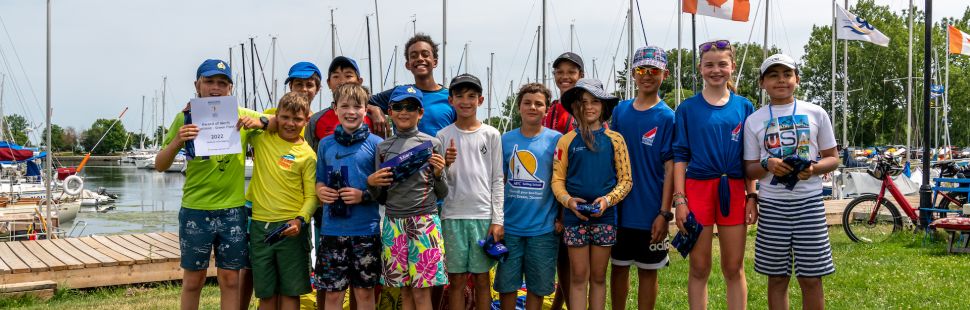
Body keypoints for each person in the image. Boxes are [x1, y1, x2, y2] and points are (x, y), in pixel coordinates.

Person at [156, 59, 269, 310]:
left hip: (233, 210)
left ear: (230, 88)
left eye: (222, 83)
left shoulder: (244, 116)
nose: (215, 88)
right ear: (197, 85)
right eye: (209, 82)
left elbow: (287, 122)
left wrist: (262, 123)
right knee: (193, 280)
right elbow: (160, 164)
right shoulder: (184, 117)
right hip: (195, 209)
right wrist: (177, 141)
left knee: (230, 279)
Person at [743, 54, 838, 310]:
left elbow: (833, 158)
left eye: (787, 74)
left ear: (796, 78)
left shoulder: (816, 113)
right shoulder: (754, 120)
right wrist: (767, 164)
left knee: (811, 277)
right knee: (776, 277)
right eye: (773, 75)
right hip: (773, 207)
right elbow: (749, 169)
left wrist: (814, 169)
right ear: (762, 82)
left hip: (809, 205)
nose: (781, 80)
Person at [672, 40, 756, 310]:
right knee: (699, 267)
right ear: (700, 68)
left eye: (722, 64)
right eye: (709, 65)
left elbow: (749, 157)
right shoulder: (687, 109)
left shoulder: (744, 107)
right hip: (697, 191)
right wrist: (680, 200)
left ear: (732, 66)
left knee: (734, 267)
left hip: (732, 190)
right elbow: (680, 156)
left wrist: (752, 194)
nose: (716, 70)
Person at [551, 78, 632, 310]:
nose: (589, 107)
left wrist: (607, 200)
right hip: (574, 218)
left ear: (603, 106)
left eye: (594, 101)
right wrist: (568, 201)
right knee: (578, 276)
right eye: (583, 102)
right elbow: (557, 181)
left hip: (605, 217)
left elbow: (626, 180)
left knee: (598, 277)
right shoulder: (565, 141)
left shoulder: (615, 140)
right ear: (575, 107)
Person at [367, 85, 449, 310]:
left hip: (425, 222)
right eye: (398, 107)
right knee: (404, 291)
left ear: (420, 113)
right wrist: (370, 184)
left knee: (422, 293)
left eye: (411, 107)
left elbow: (442, 192)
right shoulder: (382, 147)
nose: (404, 112)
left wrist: (440, 174)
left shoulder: (433, 144)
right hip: (394, 223)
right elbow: (380, 196)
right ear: (389, 112)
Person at [608, 46, 675, 310]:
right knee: (618, 268)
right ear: (633, 74)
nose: (647, 75)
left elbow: (671, 168)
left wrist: (664, 213)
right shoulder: (620, 112)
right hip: (618, 210)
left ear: (665, 74)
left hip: (651, 212)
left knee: (649, 271)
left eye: (654, 70)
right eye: (641, 69)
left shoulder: (668, 117)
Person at [238, 91, 317, 310]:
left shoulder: (308, 155)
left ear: (306, 120)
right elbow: (240, 116)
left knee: (290, 294)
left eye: (297, 119)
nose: (290, 124)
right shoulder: (261, 138)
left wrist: (301, 220)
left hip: (291, 228)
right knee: (266, 295)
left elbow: (311, 196)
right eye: (285, 117)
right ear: (277, 116)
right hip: (260, 228)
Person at [434, 74, 505, 310]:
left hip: (483, 216)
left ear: (481, 100)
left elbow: (497, 180)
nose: (466, 101)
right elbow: (438, 183)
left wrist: (497, 220)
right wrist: (445, 164)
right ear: (451, 100)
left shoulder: (492, 134)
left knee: (483, 279)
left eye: (472, 96)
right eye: (460, 96)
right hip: (452, 215)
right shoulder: (442, 136)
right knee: (456, 279)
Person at [314, 83, 384, 310]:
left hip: (366, 230)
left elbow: (383, 190)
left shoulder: (376, 144)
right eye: (344, 105)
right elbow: (319, 180)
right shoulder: (325, 144)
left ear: (366, 110)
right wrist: (320, 190)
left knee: (364, 294)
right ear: (335, 108)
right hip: (332, 230)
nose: (351, 111)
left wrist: (362, 195)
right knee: (333, 295)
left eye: (357, 106)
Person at [495, 83, 562, 310]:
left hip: (543, 229)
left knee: (538, 286)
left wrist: (561, 217)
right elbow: (497, 182)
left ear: (547, 109)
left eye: (539, 103)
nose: (532, 107)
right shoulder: (504, 140)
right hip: (510, 227)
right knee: (506, 284)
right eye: (527, 103)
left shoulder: (556, 140)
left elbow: (562, 181)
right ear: (519, 107)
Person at [545, 51, 583, 310]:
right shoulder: (552, 109)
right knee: (563, 261)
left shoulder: (583, 109)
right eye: (560, 72)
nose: (565, 76)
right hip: (552, 192)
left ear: (581, 75)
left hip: (573, 195)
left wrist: (562, 209)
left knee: (572, 265)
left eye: (571, 71)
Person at [370, 34, 456, 137]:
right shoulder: (398, 93)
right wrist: (374, 109)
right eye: (414, 56)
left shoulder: (451, 97)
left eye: (425, 54)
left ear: (435, 62)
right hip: (402, 152)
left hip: (440, 152)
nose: (420, 58)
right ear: (408, 65)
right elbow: (357, 103)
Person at [304, 57, 379, 151]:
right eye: (336, 76)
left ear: (359, 81)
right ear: (328, 83)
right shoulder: (315, 120)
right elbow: (311, 158)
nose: (342, 81)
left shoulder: (374, 119)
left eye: (348, 76)